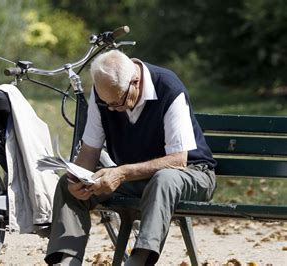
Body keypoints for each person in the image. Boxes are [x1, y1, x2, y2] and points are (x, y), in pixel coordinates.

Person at [44, 49, 217, 265]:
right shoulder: (105, 93)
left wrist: (122, 172)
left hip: (191, 174)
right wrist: (77, 179)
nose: (112, 109)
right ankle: (67, 259)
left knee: (164, 178)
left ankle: (139, 260)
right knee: (66, 185)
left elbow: (178, 160)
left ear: (135, 82)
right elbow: (89, 151)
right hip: (138, 179)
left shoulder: (169, 88)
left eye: (117, 103)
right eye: (107, 104)